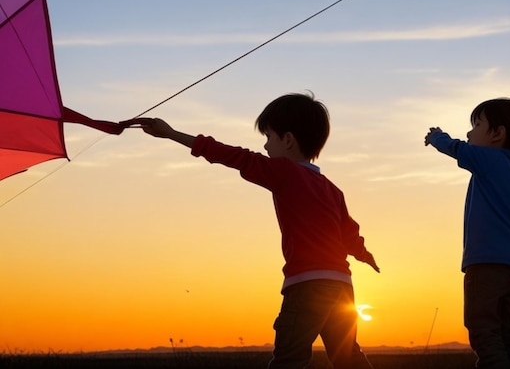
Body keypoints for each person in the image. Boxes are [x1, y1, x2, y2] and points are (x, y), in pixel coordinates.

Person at [122, 92, 379, 369]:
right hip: (342, 286)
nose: (266, 147)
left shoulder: (283, 172)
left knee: (289, 360)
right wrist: (365, 256)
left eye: (268, 137)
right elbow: (350, 235)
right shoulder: (332, 189)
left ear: (288, 140)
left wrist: (172, 134)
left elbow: (232, 156)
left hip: (307, 286)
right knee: (348, 356)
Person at [424, 98, 510, 369]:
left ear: (497, 134)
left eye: (477, 124)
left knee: (484, 331)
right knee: (507, 331)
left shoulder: (489, 160)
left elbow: (457, 148)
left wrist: (436, 136)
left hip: (487, 264)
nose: (469, 132)